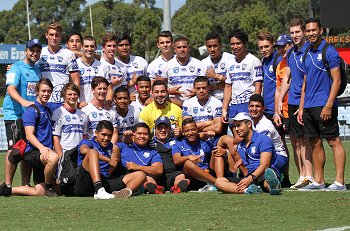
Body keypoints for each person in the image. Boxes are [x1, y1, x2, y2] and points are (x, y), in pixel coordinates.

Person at [297, 18, 346, 191]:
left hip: (324, 104)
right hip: (309, 105)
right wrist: (302, 107)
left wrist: (329, 104)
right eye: (308, 30)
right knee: (315, 142)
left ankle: (340, 182)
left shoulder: (330, 51)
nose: (311, 33)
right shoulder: (305, 52)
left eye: (313, 30)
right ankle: (319, 181)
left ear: (321, 30)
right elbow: (305, 81)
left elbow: (337, 80)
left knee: (334, 142)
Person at [1, 78, 60, 197]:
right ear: (37, 92)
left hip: (42, 153)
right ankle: (49, 188)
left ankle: (5, 191)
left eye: (48, 91)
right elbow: (29, 135)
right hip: (33, 152)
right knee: (53, 158)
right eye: (43, 91)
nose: (46, 94)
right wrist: (42, 148)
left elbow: (66, 102)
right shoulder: (31, 111)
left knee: (39, 192)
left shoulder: (48, 109)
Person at [277, 18, 313, 189]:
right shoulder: (290, 53)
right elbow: (287, 78)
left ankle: (310, 175)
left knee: (306, 140)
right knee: (296, 141)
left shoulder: (309, 50)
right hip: (291, 102)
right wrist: (279, 100)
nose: (295, 35)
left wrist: (301, 105)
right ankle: (302, 176)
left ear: (304, 32)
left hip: (306, 101)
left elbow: (306, 80)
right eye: (292, 33)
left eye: (298, 32)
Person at [215, 112, 287, 195]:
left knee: (267, 181)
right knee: (219, 182)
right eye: (235, 126)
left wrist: (250, 178)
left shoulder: (263, 140)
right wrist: (241, 166)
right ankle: (248, 191)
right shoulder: (240, 146)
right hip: (250, 178)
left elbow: (265, 164)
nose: (236, 129)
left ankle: (272, 186)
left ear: (249, 124)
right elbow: (246, 172)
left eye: (239, 125)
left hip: (263, 175)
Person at [3, 39, 42, 187]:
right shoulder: (16, 68)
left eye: (38, 50)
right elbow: (11, 88)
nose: (35, 53)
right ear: (26, 51)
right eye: (32, 50)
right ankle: (7, 185)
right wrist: (23, 102)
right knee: (13, 149)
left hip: (29, 116)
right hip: (14, 114)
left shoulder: (38, 69)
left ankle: (25, 184)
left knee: (27, 150)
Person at [74, 120, 145, 199]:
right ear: (96, 133)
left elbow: (114, 163)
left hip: (105, 181)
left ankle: (122, 192)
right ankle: (99, 189)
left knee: (141, 175)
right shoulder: (87, 142)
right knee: (92, 152)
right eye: (103, 135)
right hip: (85, 182)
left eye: (109, 136)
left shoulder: (111, 146)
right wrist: (108, 160)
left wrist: (115, 161)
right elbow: (84, 150)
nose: (106, 138)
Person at [222, 29, 263, 126]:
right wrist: (224, 109)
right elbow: (228, 87)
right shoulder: (229, 62)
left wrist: (254, 107)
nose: (235, 47)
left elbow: (258, 86)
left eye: (238, 43)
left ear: (244, 44)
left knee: (247, 136)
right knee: (235, 138)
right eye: (232, 44)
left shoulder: (254, 61)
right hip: (234, 105)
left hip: (247, 104)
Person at [37, 22, 80, 108]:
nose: (54, 38)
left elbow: (75, 80)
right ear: (46, 35)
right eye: (51, 34)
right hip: (43, 101)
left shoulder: (68, 54)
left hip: (62, 102)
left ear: (60, 36)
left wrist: (76, 100)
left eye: (57, 35)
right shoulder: (40, 52)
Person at [114, 123, 164, 194]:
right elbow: (113, 150)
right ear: (133, 134)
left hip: (141, 179)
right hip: (122, 177)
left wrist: (137, 167)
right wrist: (124, 139)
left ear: (149, 136)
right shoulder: (123, 146)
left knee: (146, 177)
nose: (142, 136)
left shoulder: (153, 152)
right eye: (139, 133)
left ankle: (127, 192)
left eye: (145, 134)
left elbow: (158, 170)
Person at [272, 34, 294, 188]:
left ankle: (308, 177)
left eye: (283, 46)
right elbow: (278, 90)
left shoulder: (295, 60)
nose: (281, 49)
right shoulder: (279, 64)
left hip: (295, 107)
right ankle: (287, 177)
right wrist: (276, 111)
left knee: (302, 144)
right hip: (283, 110)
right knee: (284, 145)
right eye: (278, 47)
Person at [172, 118, 217, 191]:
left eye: (193, 129)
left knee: (217, 152)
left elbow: (214, 158)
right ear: (183, 133)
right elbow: (176, 160)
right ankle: (217, 183)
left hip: (207, 173)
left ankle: (224, 178)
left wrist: (224, 152)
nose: (190, 133)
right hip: (191, 178)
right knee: (188, 163)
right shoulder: (178, 145)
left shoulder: (204, 143)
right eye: (187, 131)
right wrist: (189, 157)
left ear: (197, 130)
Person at [150, 116, 190, 193]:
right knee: (149, 177)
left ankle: (176, 188)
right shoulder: (149, 143)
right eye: (160, 128)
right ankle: (156, 189)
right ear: (155, 129)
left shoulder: (177, 141)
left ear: (170, 129)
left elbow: (190, 137)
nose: (163, 130)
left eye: (166, 127)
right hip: (157, 175)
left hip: (172, 174)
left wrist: (181, 133)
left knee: (180, 175)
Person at [161, 36, 203, 103]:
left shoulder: (199, 64)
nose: (182, 49)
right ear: (174, 49)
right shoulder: (166, 65)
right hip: (174, 104)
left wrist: (197, 91)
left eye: (184, 47)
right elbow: (157, 84)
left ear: (189, 48)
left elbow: (206, 85)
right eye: (179, 47)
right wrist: (169, 91)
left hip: (195, 103)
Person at [182, 76, 223, 145]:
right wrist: (209, 122)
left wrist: (196, 130)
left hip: (212, 139)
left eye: (204, 88)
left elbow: (217, 128)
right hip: (194, 140)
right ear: (194, 89)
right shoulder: (188, 103)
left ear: (209, 88)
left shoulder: (217, 103)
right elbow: (187, 127)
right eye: (198, 88)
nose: (201, 90)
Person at [52, 83, 87, 158]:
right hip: (65, 153)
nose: (73, 96)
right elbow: (56, 138)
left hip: (79, 154)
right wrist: (61, 157)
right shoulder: (58, 113)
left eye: (75, 94)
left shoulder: (83, 115)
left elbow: (84, 137)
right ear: (64, 96)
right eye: (69, 94)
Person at [81, 77, 118, 143]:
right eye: (99, 89)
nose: (102, 91)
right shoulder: (85, 110)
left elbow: (114, 133)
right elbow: (83, 134)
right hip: (91, 148)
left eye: (104, 89)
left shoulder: (111, 111)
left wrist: (110, 147)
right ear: (92, 90)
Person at [201, 32, 233, 101]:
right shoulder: (203, 63)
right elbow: (203, 87)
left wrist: (216, 76)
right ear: (206, 47)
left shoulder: (230, 59)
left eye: (215, 46)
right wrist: (220, 84)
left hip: (230, 100)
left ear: (221, 46)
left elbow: (235, 82)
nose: (212, 49)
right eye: (209, 46)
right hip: (212, 103)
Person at [257, 31, 282, 120]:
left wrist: (277, 112)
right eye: (261, 48)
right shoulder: (264, 60)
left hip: (276, 110)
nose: (264, 50)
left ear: (273, 44)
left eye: (266, 46)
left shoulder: (279, 59)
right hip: (266, 109)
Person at [99, 32, 128, 107]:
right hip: (103, 106)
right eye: (109, 46)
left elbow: (124, 88)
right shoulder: (98, 65)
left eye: (114, 46)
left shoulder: (122, 66)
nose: (112, 49)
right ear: (103, 47)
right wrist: (111, 84)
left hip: (118, 108)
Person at [76, 36, 106, 106]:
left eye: (92, 46)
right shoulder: (75, 65)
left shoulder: (102, 66)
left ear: (95, 47)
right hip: (80, 107)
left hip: (98, 107)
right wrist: (77, 103)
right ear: (81, 47)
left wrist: (108, 102)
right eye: (86, 46)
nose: (89, 49)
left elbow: (109, 87)